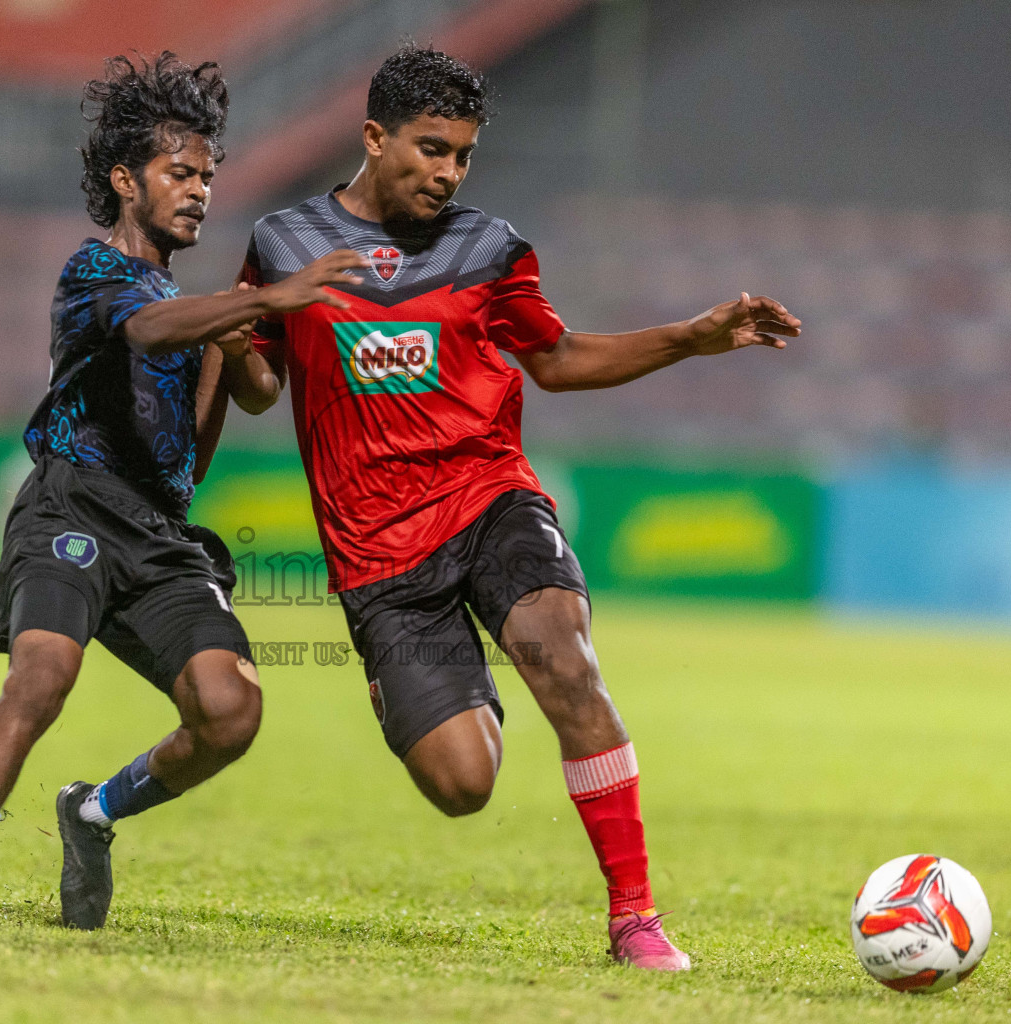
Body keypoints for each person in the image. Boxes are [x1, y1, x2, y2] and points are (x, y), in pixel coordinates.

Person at [227, 46, 802, 970]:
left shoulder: (489, 250)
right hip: (379, 556)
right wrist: (224, 329)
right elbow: (258, 386)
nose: (448, 171)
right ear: (374, 139)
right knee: (464, 784)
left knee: (566, 656)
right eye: (430, 148)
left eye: (462, 154)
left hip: (488, 499)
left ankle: (636, 919)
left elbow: (559, 358)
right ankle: (437, 680)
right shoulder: (285, 244)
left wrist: (691, 339)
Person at [0, 52, 368, 936]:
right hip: (74, 505)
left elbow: (257, 392)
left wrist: (270, 320)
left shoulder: (197, 305)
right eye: (178, 173)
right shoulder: (94, 274)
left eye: (208, 177)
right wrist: (255, 300)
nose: (198, 192)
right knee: (43, 675)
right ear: (124, 179)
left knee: (230, 712)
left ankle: (94, 812)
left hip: (160, 536)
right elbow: (146, 328)